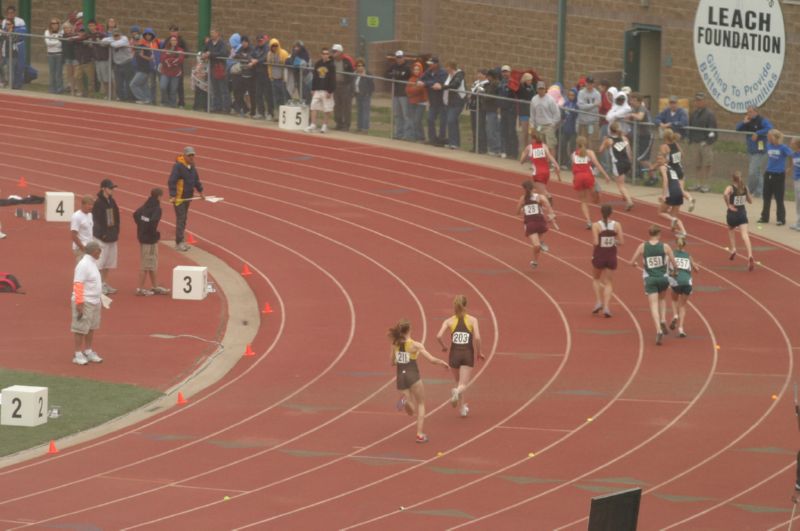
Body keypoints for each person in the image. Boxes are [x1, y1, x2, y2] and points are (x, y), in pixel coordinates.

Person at [388, 319, 449, 443]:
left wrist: (400, 359)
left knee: (411, 411)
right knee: (421, 403)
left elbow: (392, 362)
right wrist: (441, 362)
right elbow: (431, 360)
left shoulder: (394, 344)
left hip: (400, 376)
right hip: (412, 375)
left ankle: (405, 401)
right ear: (409, 330)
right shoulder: (415, 345)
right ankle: (419, 435)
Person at [436, 295, 484, 418]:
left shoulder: (449, 321)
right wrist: (479, 352)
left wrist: (444, 346)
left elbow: (438, 336)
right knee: (462, 385)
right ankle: (456, 392)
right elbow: (477, 337)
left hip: (454, 354)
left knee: (459, 382)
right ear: (465, 305)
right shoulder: (473, 320)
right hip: (467, 354)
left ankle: (462, 408)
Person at [630, 225, 678, 346]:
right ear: (659, 234)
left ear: (649, 234)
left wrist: (635, 264)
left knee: (653, 305)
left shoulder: (642, 246)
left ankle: (658, 329)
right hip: (663, 278)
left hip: (650, 279)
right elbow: (675, 264)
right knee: (662, 299)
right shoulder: (665, 246)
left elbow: (631, 262)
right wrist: (674, 272)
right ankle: (663, 319)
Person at [71, 241, 104, 365]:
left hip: (94, 301)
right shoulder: (84, 264)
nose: (100, 253)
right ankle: (78, 353)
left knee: (91, 327)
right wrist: (79, 303)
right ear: (94, 251)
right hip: (85, 302)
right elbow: (78, 283)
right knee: (80, 328)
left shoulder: (92, 263)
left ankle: (88, 351)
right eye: (99, 251)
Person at [132, 188, 170, 296]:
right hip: (150, 240)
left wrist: (141, 227)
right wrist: (154, 233)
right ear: (159, 196)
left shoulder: (146, 204)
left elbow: (135, 214)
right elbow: (153, 222)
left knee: (152, 264)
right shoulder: (157, 208)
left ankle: (155, 287)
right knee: (145, 265)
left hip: (143, 237)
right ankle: (140, 289)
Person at [168, 146, 205, 251]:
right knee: (181, 219)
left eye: (193, 155)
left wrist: (201, 192)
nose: (191, 157)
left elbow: (196, 180)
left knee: (184, 219)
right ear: (184, 155)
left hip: (188, 197)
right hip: (179, 198)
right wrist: (173, 195)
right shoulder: (178, 167)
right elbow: (172, 181)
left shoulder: (192, 167)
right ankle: (179, 242)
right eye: (189, 155)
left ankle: (181, 241)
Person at [591, 204, 624, 317]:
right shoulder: (617, 225)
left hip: (599, 255)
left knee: (596, 278)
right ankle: (606, 307)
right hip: (611, 256)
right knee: (608, 282)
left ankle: (598, 301)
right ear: (611, 213)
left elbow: (595, 242)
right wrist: (612, 241)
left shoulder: (596, 225)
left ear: (601, 212)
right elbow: (621, 242)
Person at [515, 180, 556, 269]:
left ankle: (535, 261)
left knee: (537, 245)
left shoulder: (539, 197)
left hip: (540, 222)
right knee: (536, 245)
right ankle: (536, 257)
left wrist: (551, 214)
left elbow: (548, 206)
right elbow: (517, 212)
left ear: (526, 189)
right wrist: (523, 208)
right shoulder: (523, 198)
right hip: (530, 224)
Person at [572, 136, 610, 228]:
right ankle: (604, 217)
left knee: (583, 201)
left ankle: (588, 221)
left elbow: (574, 167)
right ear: (586, 143)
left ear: (577, 144)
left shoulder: (573, 154)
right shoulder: (590, 153)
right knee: (596, 199)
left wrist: (575, 179)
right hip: (588, 176)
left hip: (578, 177)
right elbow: (597, 164)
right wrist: (605, 175)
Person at [735, 106, 773, 198]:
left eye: (751, 112)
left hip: (760, 150)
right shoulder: (748, 121)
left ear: (756, 112)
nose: (749, 113)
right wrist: (744, 122)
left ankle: (749, 190)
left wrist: (758, 133)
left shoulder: (762, 120)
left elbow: (770, 128)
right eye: (748, 112)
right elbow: (737, 128)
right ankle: (760, 192)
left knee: (752, 171)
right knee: (757, 172)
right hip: (751, 150)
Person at [91, 179, 120, 295]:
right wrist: (101, 234)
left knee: (108, 263)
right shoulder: (98, 203)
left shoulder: (112, 201)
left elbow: (117, 217)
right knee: (100, 263)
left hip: (112, 236)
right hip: (102, 238)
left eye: (112, 188)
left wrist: (116, 231)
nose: (112, 190)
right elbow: (96, 220)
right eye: (110, 188)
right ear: (103, 188)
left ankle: (104, 283)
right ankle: (98, 285)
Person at [598, 121, 635, 211]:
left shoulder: (609, 140)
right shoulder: (624, 138)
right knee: (621, 181)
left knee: (620, 185)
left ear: (610, 130)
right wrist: (630, 162)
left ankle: (629, 201)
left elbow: (600, 150)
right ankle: (624, 196)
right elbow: (629, 152)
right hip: (627, 162)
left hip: (618, 164)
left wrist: (604, 142)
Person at [724, 171, 755, 272]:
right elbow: (750, 201)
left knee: (730, 229)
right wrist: (747, 196)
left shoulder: (730, 188)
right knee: (745, 235)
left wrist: (728, 204)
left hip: (732, 214)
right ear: (741, 178)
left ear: (733, 179)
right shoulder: (745, 188)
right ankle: (750, 255)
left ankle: (733, 249)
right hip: (742, 214)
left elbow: (725, 194)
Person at [668, 236, 699, 338]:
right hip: (687, 282)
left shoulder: (672, 254)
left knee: (674, 300)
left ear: (676, 244)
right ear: (685, 245)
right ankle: (681, 329)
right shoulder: (688, 256)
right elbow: (696, 270)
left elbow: (668, 267)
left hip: (676, 281)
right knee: (683, 305)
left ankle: (675, 315)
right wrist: (696, 266)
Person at [760, 129, 792, 226]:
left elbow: (792, 155)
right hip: (768, 173)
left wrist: (789, 168)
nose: (768, 138)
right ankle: (764, 217)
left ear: (775, 137)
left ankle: (781, 219)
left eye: (769, 136)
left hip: (778, 175)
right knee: (766, 196)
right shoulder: (768, 145)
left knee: (779, 198)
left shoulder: (783, 147)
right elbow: (761, 148)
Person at [519, 130, 561, 204]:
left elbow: (521, 161)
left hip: (538, 173)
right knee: (537, 189)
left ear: (533, 139)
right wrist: (556, 164)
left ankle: (548, 201)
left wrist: (524, 154)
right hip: (546, 172)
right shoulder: (544, 146)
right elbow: (549, 156)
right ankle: (539, 205)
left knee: (542, 192)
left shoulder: (529, 147)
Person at [658, 129, 696, 211]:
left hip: (671, 171)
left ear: (664, 137)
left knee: (670, 190)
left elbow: (662, 159)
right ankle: (690, 198)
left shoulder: (664, 146)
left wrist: (664, 163)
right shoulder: (676, 144)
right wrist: (675, 159)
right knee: (680, 191)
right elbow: (682, 155)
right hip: (679, 169)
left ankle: (668, 206)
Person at [687, 92, 717, 193]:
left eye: (700, 100)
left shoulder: (709, 114)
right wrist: (690, 140)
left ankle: (706, 184)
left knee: (707, 164)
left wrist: (708, 141)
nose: (698, 102)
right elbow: (690, 127)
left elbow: (712, 131)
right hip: (695, 142)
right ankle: (697, 183)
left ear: (705, 101)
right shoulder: (694, 113)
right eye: (697, 100)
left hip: (705, 144)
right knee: (697, 164)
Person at [654, 153, 689, 237]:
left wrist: (663, 195)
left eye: (661, 159)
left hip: (672, 192)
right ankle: (683, 232)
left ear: (666, 160)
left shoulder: (662, 167)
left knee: (661, 212)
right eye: (657, 159)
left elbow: (665, 181)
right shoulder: (671, 168)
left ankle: (672, 220)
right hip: (679, 192)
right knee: (674, 215)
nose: (659, 161)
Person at [305, 47, 335, 133]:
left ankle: (324, 125)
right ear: (321, 55)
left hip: (326, 90)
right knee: (313, 106)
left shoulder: (331, 65)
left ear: (328, 55)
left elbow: (332, 79)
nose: (325, 55)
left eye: (327, 54)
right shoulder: (318, 64)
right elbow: (315, 77)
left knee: (327, 108)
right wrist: (313, 88)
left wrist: (330, 90)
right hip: (318, 89)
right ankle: (313, 124)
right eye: (324, 54)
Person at [421, 56, 447, 146]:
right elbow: (421, 79)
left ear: (436, 64)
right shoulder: (428, 71)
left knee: (442, 121)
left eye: (432, 64)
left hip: (441, 101)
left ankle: (441, 140)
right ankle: (432, 138)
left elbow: (439, 81)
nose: (430, 66)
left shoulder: (443, 72)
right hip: (432, 101)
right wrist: (427, 83)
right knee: (430, 119)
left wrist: (426, 83)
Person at [530, 81, 561, 156]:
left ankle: (552, 164)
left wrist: (553, 124)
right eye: (539, 89)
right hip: (539, 126)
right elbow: (532, 114)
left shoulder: (550, 100)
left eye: (542, 89)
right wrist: (532, 126)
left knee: (551, 145)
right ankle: (540, 163)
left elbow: (557, 113)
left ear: (545, 89)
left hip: (548, 125)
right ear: (537, 89)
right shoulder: (534, 99)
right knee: (539, 145)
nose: (541, 91)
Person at [386, 50, 411, 140]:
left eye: (400, 57)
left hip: (404, 94)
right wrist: (395, 75)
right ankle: (398, 133)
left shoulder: (407, 67)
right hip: (395, 93)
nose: (399, 59)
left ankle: (406, 134)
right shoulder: (393, 66)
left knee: (405, 114)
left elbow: (404, 76)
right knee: (397, 114)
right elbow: (387, 74)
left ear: (403, 57)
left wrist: (396, 75)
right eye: (397, 57)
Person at [330, 44, 354, 131]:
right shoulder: (331, 60)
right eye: (332, 51)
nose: (333, 53)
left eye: (335, 51)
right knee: (337, 106)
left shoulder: (347, 60)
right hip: (336, 85)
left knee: (346, 106)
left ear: (340, 52)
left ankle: (346, 125)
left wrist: (350, 86)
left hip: (346, 85)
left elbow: (352, 73)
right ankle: (338, 123)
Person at [443, 61, 466, 150]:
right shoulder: (449, 76)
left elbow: (455, 85)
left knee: (451, 120)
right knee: (453, 122)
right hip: (450, 101)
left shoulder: (459, 75)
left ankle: (454, 142)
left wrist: (442, 87)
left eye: (447, 67)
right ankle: (454, 142)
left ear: (452, 67)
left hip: (458, 101)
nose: (446, 69)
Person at [405, 61, 427, 142]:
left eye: (418, 69)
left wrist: (414, 89)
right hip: (412, 101)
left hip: (421, 102)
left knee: (418, 120)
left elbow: (420, 90)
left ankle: (421, 137)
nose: (416, 71)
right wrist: (415, 88)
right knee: (412, 119)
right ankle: (414, 136)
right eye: (415, 69)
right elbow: (408, 90)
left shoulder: (424, 78)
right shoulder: (411, 79)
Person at [577, 76, 601, 146]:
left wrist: (588, 106)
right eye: (588, 83)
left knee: (591, 143)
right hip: (583, 121)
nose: (589, 85)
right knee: (582, 142)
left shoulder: (597, 94)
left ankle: (590, 156)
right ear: (586, 83)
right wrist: (593, 105)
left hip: (593, 122)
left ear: (593, 84)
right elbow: (581, 107)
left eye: (591, 83)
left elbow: (598, 106)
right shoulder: (581, 93)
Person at [70, 195, 94, 261]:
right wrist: (82, 248)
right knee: (82, 269)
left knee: (88, 269)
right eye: (89, 205)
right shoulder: (77, 216)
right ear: (83, 205)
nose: (91, 207)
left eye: (92, 205)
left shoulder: (90, 215)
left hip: (89, 248)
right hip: (81, 249)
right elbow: (73, 235)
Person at [353, 58, 374, 133]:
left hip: (365, 95)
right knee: (359, 111)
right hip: (358, 94)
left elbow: (371, 85)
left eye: (361, 65)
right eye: (358, 66)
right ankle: (359, 127)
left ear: (364, 66)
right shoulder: (355, 74)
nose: (360, 67)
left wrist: (368, 93)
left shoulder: (368, 74)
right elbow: (354, 84)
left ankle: (365, 128)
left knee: (365, 112)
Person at [44, 17, 64, 94]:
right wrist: (56, 42)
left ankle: (59, 88)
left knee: (58, 73)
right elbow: (47, 43)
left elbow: (61, 44)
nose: (54, 25)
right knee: (52, 72)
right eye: (52, 23)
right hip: (50, 54)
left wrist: (53, 43)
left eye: (56, 23)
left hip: (59, 54)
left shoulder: (61, 32)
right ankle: (52, 88)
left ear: (58, 24)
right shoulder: (47, 32)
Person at [791, 138, 800, 231]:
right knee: (797, 201)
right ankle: (798, 221)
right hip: (796, 179)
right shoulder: (794, 154)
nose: (791, 144)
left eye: (792, 143)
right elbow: (794, 165)